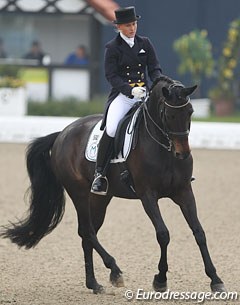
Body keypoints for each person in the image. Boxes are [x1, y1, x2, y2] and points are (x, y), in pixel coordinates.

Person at [91, 6, 162, 195]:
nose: (132, 28)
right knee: (112, 128)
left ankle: (174, 169)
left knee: (163, 121)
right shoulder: (112, 48)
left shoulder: (145, 43)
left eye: (134, 24)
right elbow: (111, 76)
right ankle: (100, 174)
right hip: (123, 96)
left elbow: (154, 68)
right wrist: (130, 90)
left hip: (145, 95)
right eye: (128, 25)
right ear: (119, 27)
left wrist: (159, 83)